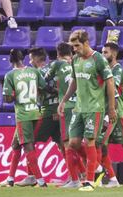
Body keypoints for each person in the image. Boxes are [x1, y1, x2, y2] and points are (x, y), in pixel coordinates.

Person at [57, 30, 117, 192]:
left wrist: (111, 108)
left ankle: (89, 181)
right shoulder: (75, 60)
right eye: (72, 46)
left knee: (90, 141)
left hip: (94, 109)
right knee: (73, 143)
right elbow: (74, 82)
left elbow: (110, 83)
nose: (74, 49)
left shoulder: (98, 59)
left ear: (86, 43)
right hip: (79, 108)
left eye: (77, 45)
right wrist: (64, 100)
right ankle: (97, 167)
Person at [0, 49, 48, 188]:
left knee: (28, 146)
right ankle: (10, 179)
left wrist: (15, 95)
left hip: (23, 115)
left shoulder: (10, 75)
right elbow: (43, 88)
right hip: (36, 112)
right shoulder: (34, 72)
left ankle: (40, 181)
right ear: (24, 58)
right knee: (15, 144)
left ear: (10, 60)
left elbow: (7, 98)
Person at [45, 42, 86, 188]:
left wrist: (55, 91)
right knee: (76, 143)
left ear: (58, 53)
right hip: (80, 106)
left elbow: (44, 80)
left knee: (67, 144)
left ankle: (74, 180)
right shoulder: (77, 63)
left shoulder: (57, 64)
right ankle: (83, 174)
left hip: (67, 107)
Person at [95, 42, 123, 188]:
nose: (103, 55)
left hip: (117, 112)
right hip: (107, 112)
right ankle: (112, 179)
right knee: (101, 144)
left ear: (114, 54)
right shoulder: (104, 70)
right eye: (102, 52)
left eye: (106, 52)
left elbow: (112, 89)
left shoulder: (117, 70)